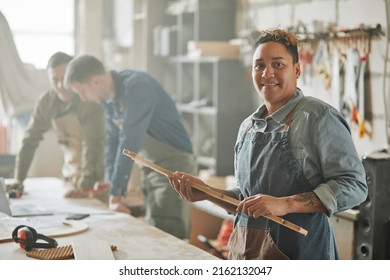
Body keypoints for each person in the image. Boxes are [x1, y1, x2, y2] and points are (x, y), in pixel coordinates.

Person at [169, 28, 368, 259]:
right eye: (259, 65)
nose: (267, 73)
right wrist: (206, 193)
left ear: (296, 69)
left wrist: (284, 204)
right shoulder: (248, 127)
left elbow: (355, 185)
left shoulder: (317, 117)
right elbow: (247, 199)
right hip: (251, 254)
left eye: (278, 64)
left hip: (302, 254)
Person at [64, 55, 197, 239]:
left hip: (174, 167)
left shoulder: (137, 87)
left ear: (95, 81)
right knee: (154, 232)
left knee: (170, 234)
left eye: (82, 92)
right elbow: (112, 142)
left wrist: (116, 195)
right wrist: (111, 181)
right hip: (151, 168)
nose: (83, 99)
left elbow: (129, 142)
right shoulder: (108, 99)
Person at [13, 52, 104, 199]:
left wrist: (84, 187)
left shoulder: (88, 100)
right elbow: (30, 139)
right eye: (55, 80)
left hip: (95, 179)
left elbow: (92, 146)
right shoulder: (47, 102)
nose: (61, 85)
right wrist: (19, 179)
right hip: (69, 177)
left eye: (64, 79)